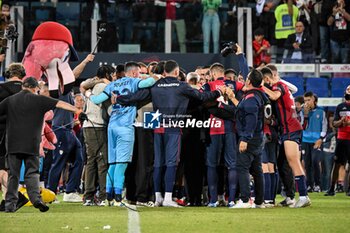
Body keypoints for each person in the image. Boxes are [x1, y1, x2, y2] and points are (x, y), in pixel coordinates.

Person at [0, 77, 84, 212]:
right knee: (32, 173)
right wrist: (77, 111)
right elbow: (61, 104)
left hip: (13, 144)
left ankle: (10, 205)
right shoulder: (39, 99)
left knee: (13, 175)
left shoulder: (10, 100)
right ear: (35, 88)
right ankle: (37, 200)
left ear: (23, 86)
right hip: (31, 143)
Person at [87, 61, 157, 206]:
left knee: (112, 163)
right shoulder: (134, 81)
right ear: (133, 73)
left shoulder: (112, 85)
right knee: (121, 162)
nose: (139, 74)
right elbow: (151, 81)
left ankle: (108, 195)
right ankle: (118, 196)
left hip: (112, 126)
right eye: (138, 72)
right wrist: (146, 77)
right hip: (125, 127)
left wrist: (87, 93)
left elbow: (96, 99)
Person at [261, 65, 311, 208]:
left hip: (290, 128)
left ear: (267, 78)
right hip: (292, 127)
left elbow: (275, 95)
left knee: (293, 161)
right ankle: (302, 195)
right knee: (291, 161)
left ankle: (303, 195)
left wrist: (261, 87)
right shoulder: (283, 85)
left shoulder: (279, 86)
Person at [228, 69, 267, 208]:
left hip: (250, 138)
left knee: (242, 167)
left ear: (249, 81)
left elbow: (251, 120)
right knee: (257, 170)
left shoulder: (251, 99)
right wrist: (233, 98)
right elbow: (243, 109)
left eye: (246, 77)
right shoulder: (256, 95)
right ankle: (259, 201)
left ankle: (245, 200)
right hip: (258, 137)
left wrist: (245, 138)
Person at [80, 65, 114, 206]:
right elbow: (110, 109)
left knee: (92, 161)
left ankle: (89, 196)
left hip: (90, 126)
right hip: (97, 127)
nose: (114, 77)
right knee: (101, 161)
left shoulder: (91, 86)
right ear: (107, 74)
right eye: (112, 74)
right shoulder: (102, 87)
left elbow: (83, 85)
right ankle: (102, 196)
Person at [0, 63, 29, 212]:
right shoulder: (28, 91)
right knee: (9, 168)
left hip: (3, 132)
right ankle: (7, 201)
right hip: (23, 134)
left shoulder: (1, 89)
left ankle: (16, 194)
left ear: (8, 74)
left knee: (1, 168)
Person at [325, 85, 350, 196]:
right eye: (348, 89)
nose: (348, 91)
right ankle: (331, 188)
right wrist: (341, 122)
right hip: (341, 138)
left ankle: (348, 189)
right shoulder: (340, 106)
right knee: (337, 164)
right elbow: (334, 123)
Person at [301, 91, 327, 192]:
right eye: (305, 100)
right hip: (305, 140)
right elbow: (303, 126)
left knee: (315, 161)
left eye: (309, 100)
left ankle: (318, 184)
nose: (307, 102)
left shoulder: (321, 111)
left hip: (317, 140)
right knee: (307, 163)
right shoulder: (303, 112)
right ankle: (309, 185)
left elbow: (324, 126)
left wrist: (320, 139)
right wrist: (306, 115)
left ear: (314, 100)